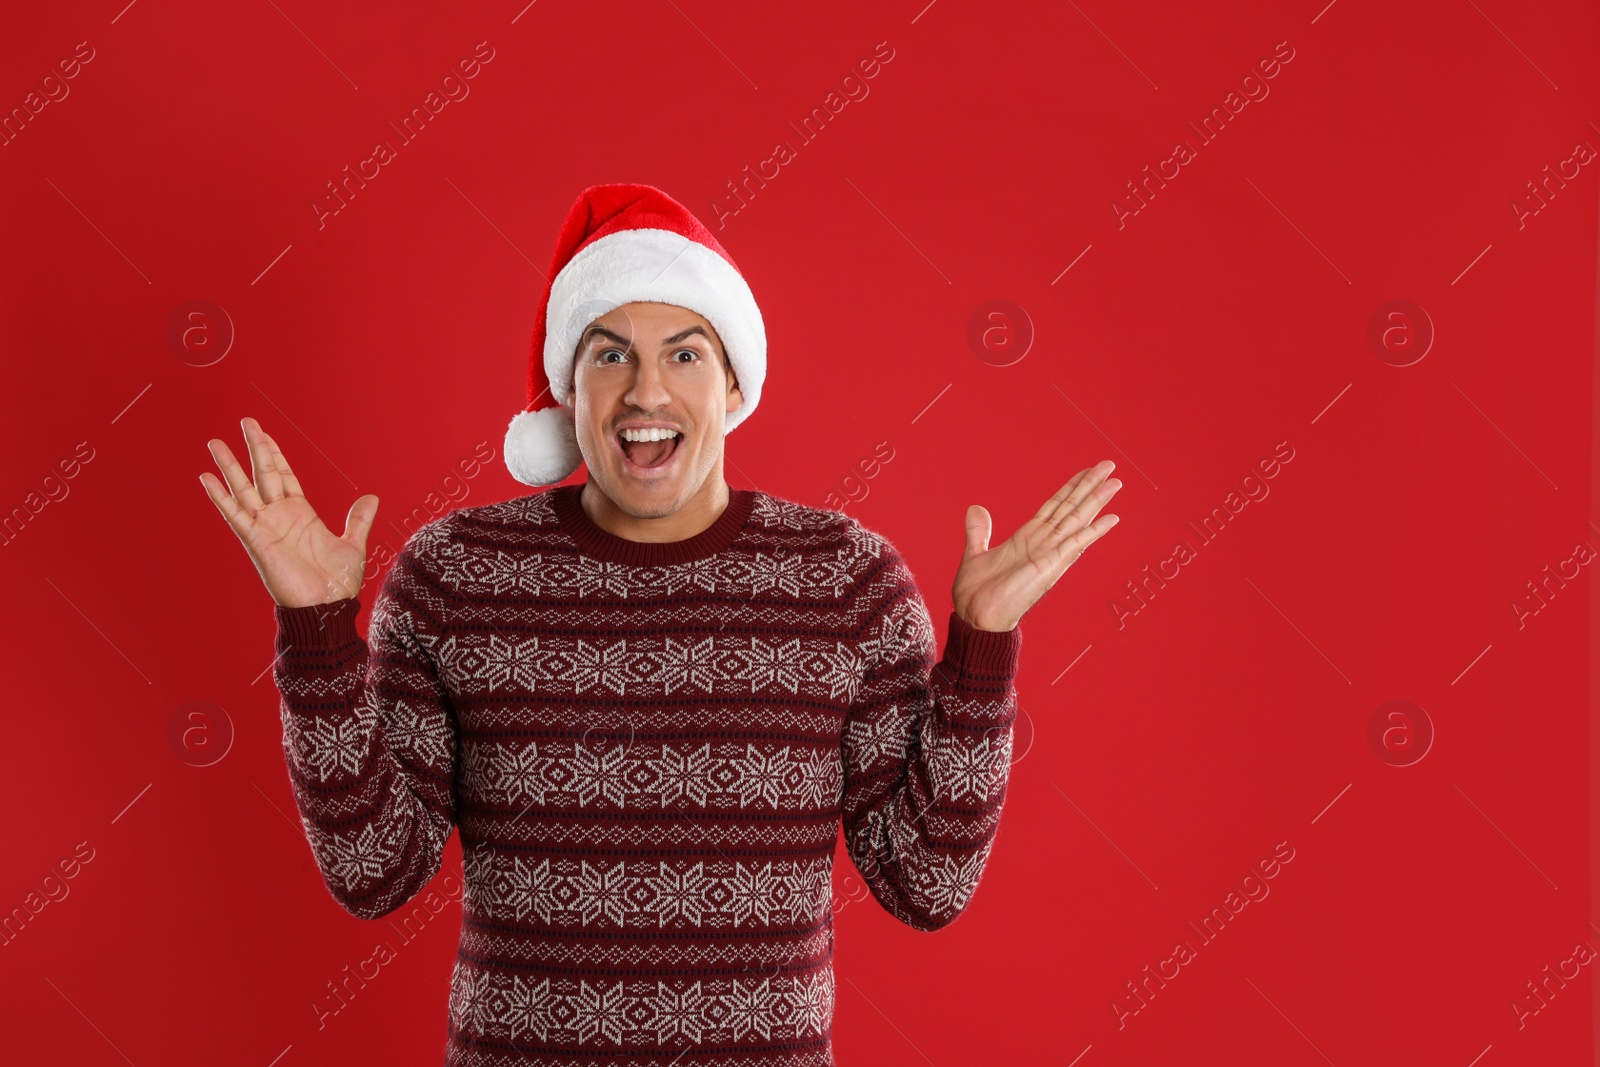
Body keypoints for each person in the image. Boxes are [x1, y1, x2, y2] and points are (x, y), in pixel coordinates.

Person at [200, 183, 1122, 1065]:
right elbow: (375, 872)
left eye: (684, 354)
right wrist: (316, 630)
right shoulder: (454, 576)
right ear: (569, 388)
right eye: (610, 354)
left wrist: (982, 650)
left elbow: (926, 884)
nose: (646, 391)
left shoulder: (848, 582)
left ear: (731, 385)